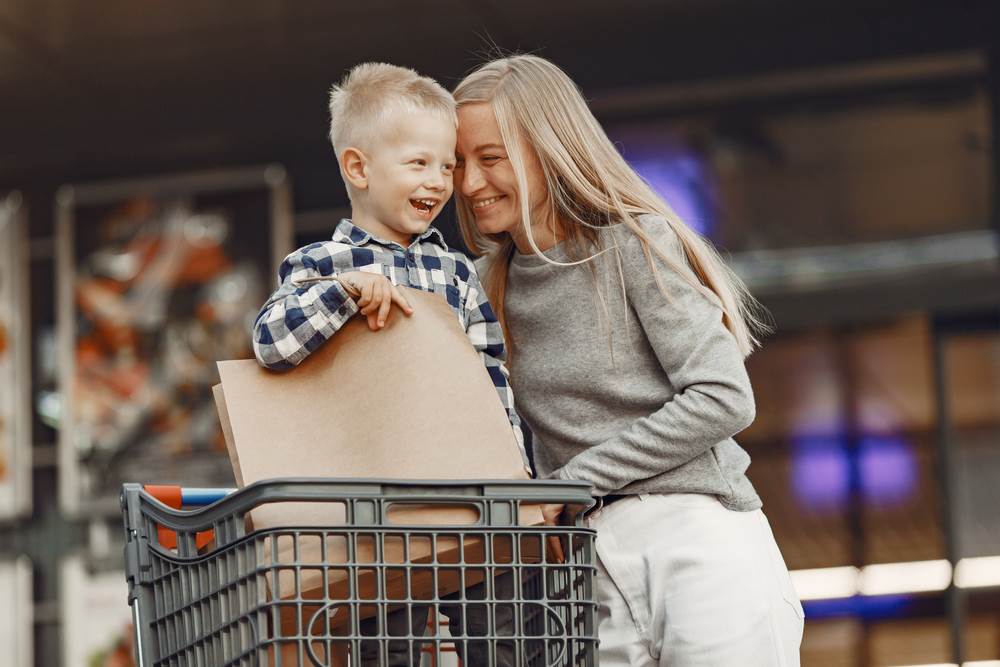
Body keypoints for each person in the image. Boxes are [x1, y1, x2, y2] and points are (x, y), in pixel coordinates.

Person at [452, 54, 805, 666]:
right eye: (457, 162)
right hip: (587, 573)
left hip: (697, 539)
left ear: (548, 148)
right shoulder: (482, 289)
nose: (469, 183)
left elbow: (723, 398)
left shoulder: (635, 245)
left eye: (490, 158)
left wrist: (574, 480)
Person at [252, 62, 525, 667]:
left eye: (446, 165)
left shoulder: (458, 271)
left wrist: (517, 476)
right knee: (389, 650)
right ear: (358, 168)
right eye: (419, 163)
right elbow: (270, 342)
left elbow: (492, 376)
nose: (440, 179)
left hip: (472, 502)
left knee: (505, 642)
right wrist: (342, 295)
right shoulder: (321, 265)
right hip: (372, 518)